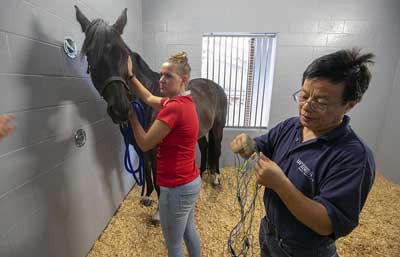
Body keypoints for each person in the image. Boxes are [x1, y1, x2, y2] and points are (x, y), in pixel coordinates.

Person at [230, 48, 376, 257]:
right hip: (269, 232)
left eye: (321, 102)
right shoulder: (292, 126)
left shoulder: (354, 157)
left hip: (303, 250)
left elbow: (326, 223)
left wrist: (280, 184)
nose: (306, 107)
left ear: (350, 105)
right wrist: (247, 145)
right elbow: (260, 147)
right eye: (304, 95)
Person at [127, 52, 201, 257]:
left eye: (168, 76)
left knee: (174, 245)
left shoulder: (173, 109)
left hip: (176, 187)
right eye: (161, 74)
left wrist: (131, 115)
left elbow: (144, 143)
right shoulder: (183, 101)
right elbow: (149, 98)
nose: (161, 79)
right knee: (189, 232)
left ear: (183, 80)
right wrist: (132, 76)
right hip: (190, 182)